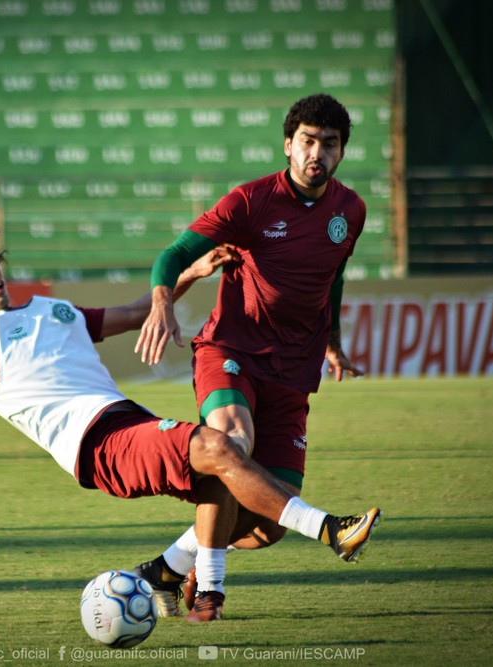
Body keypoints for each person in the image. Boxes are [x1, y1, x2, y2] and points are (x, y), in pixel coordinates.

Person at [0, 208, 380, 623]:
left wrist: (189, 277)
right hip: (96, 444)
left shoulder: (52, 310)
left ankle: (167, 575)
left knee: (255, 518)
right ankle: (331, 530)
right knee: (220, 449)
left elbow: (128, 314)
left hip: (127, 418)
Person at [132, 93, 374, 620]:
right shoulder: (250, 202)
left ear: (341, 151)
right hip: (233, 350)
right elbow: (173, 255)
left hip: (295, 366)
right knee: (233, 445)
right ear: (288, 145)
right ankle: (212, 591)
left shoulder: (349, 211)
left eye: (329, 144)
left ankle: (166, 570)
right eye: (307, 141)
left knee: (267, 523)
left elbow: (332, 276)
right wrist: (160, 302)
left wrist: (331, 337)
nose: (317, 153)